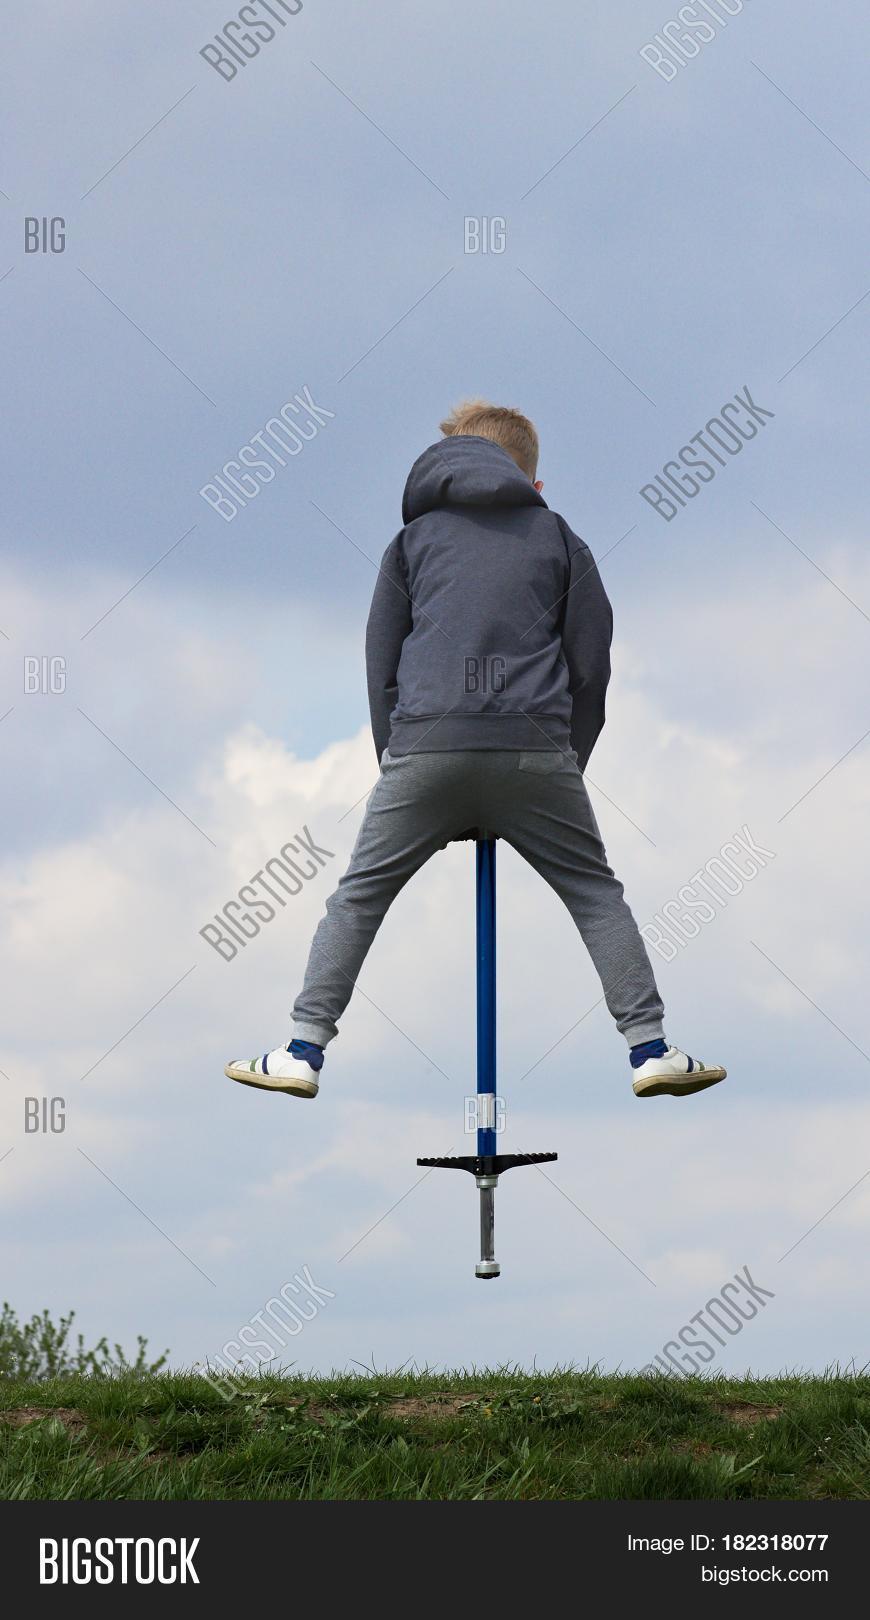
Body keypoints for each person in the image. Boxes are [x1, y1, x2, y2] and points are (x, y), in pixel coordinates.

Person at [225, 400, 726, 1102]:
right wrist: (562, 762)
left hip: (425, 744)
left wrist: (400, 767)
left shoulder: (412, 542)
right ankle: (649, 1050)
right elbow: (592, 666)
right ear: (534, 483)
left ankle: (303, 1051)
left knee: (359, 897)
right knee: (594, 893)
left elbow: (381, 667)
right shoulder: (558, 538)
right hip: (535, 750)